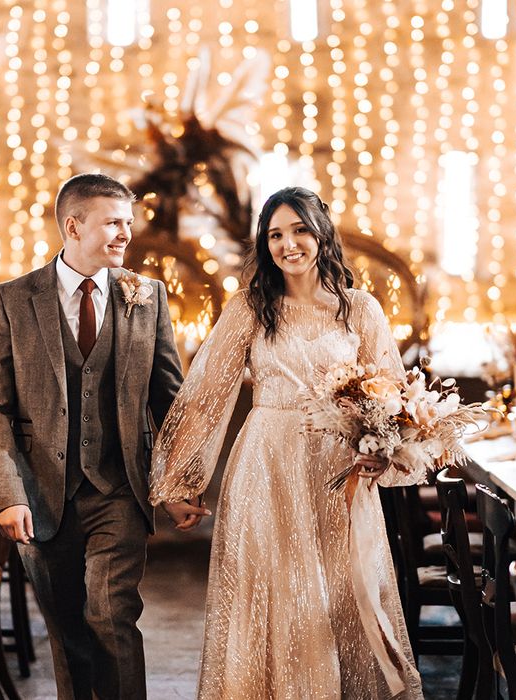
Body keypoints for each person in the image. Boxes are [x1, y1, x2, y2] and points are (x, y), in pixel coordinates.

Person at [149, 186, 425, 699]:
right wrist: (178, 480)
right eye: (275, 234)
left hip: (338, 470)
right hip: (266, 462)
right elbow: (206, 394)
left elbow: (393, 393)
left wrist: (381, 446)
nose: (288, 244)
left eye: (299, 229)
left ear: (321, 233)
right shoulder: (250, 308)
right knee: (273, 590)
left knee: (345, 590)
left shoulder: (360, 309)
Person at [0, 173, 189, 699]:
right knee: (68, 630)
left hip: (119, 489)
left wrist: (182, 480)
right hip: (41, 494)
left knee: (111, 612)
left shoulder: (148, 296)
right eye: (113, 222)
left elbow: (171, 401)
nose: (125, 234)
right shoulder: (11, 300)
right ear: (73, 226)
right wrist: (7, 495)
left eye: (128, 223)